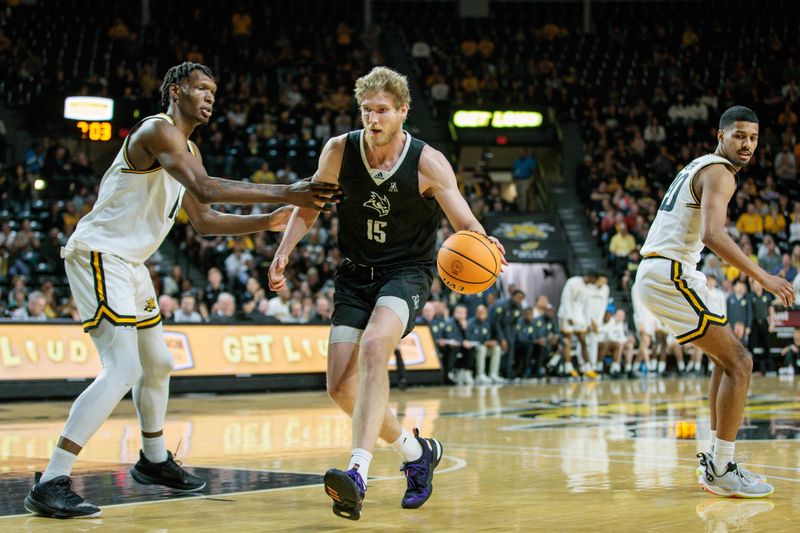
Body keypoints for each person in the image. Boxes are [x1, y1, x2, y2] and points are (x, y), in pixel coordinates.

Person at [24, 62, 340, 519]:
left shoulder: (186, 148)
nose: (210, 97)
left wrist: (268, 223)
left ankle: (154, 461)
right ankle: (53, 478)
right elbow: (207, 190)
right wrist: (287, 192)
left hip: (129, 264)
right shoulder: (158, 131)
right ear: (176, 91)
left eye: (214, 90)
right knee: (122, 370)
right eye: (201, 88)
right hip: (99, 254)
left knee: (160, 363)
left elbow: (206, 221)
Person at [268, 66, 506, 520]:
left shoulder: (428, 161)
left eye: (381, 110)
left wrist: (485, 241)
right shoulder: (340, 151)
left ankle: (357, 471)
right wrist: (284, 251)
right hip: (355, 274)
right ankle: (417, 453)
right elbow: (309, 206)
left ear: (403, 111)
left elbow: (465, 223)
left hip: (407, 272)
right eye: (365, 109)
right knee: (340, 387)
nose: (372, 118)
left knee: (376, 346)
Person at [634, 106, 794, 498]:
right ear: (720, 135)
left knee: (727, 361)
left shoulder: (699, 166)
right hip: (669, 271)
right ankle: (722, 467)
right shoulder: (720, 172)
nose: (747, 145)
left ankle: (717, 462)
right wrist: (763, 276)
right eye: (740, 135)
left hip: (670, 271)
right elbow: (712, 234)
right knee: (741, 361)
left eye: (754, 138)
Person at [557, 271, 598, 379]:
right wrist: (568, 316)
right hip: (566, 314)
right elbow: (565, 299)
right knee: (567, 342)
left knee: (583, 342)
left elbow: (587, 306)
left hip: (579, 317)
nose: (594, 283)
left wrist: (588, 322)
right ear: (590, 276)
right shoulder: (573, 282)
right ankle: (568, 368)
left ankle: (587, 368)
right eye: (594, 280)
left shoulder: (589, 288)